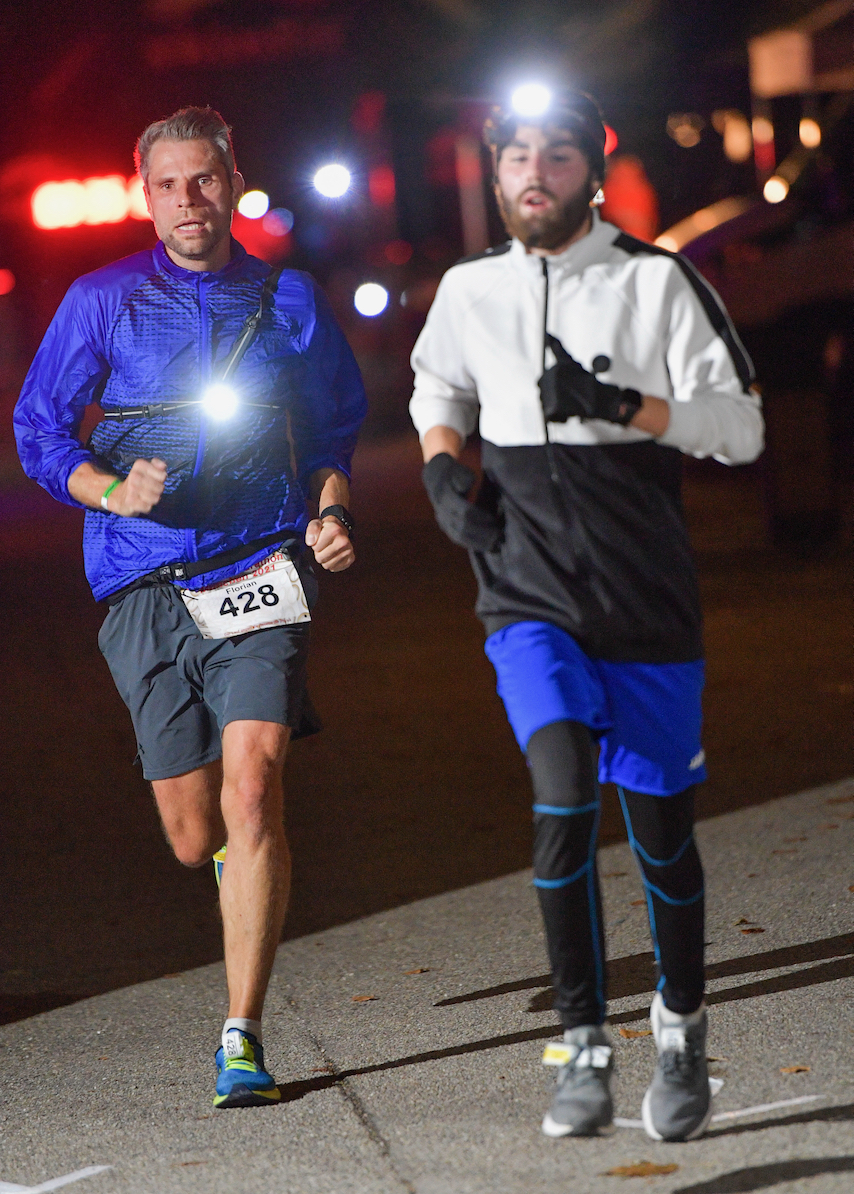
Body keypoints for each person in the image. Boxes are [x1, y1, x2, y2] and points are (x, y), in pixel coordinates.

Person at [410, 90, 763, 1142]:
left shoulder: (655, 282)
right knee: (561, 793)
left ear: (591, 168)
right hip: (527, 593)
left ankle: (681, 1027)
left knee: (660, 836)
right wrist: (440, 468)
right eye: (513, 155)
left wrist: (624, 407)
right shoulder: (469, 288)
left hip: (645, 600)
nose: (531, 173)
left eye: (553, 155)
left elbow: (740, 427)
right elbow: (438, 383)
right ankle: (583, 1047)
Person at [15, 106, 367, 1108]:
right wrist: (105, 488)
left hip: (258, 566)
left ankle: (241, 1035)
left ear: (232, 179)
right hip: (141, 579)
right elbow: (39, 424)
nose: (188, 201)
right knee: (190, 830)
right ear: (146, 193)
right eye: (168, 184)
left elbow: (336, 427)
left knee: (252, 789)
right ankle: (233, 870)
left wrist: (332, 512)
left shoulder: (289, 297)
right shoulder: (101, 299)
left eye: (203, 180)